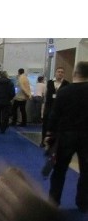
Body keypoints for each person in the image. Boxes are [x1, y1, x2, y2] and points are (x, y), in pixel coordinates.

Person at [45, 61, 88, 212]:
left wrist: (49, 133)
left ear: (75, 73)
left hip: (65, 136)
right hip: (86, 137)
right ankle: (83, 203)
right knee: (86, 172)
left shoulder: (64, 91)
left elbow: (54, 115)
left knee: (59, 170)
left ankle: (54, 201)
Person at [41, 67, 70, 147]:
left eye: (62, 72)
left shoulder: (67, 84)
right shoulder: (49, 82)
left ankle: (56, 143)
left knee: (57, 126)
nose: (60, 73)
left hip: (60, 109)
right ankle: (43, 141)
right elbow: (45, 95)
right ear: (55, 73)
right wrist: (43, 110)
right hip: (49, 107)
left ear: (63, 74)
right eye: (58, 72)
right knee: (45, 125)